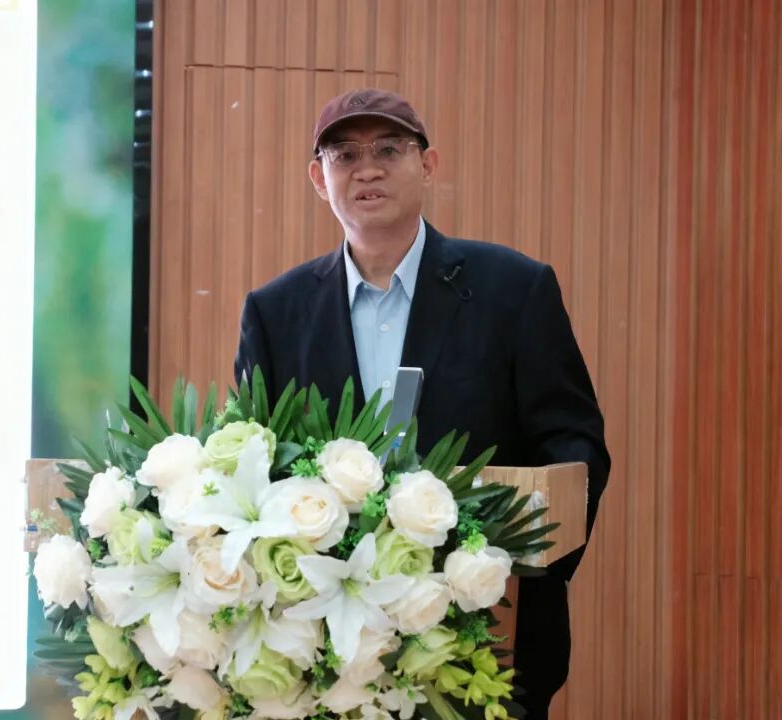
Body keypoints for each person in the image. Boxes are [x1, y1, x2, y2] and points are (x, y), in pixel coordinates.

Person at [234, 87, 610, 720]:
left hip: (484, 641)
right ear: (319, 180)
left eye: (389, 149)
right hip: (321, 653)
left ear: (428, 165)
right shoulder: (275, 312)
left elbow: (575, 447)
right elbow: (250, 469)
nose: (367, 169)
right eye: (344, 155)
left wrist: (518, 570)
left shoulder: (514, 289)